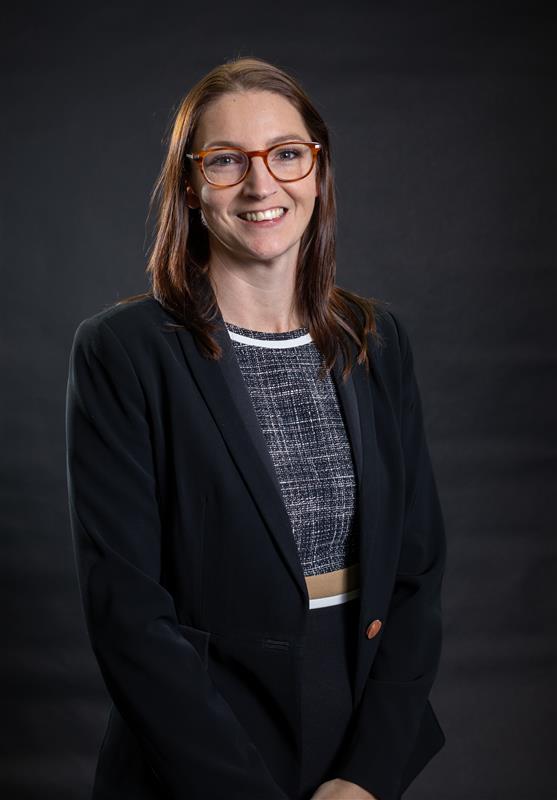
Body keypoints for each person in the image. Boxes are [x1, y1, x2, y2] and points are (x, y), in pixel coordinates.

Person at [65, 56, 447, 800]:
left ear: (317, 169)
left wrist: (366, 776)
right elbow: (128, 613)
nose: (261, 184)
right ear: (188, 183)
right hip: (200, 752)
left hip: (357, 735)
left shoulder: (376, 338)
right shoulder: (125, 351)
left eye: (286, 154)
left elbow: (415, 573)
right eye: (226, 161)